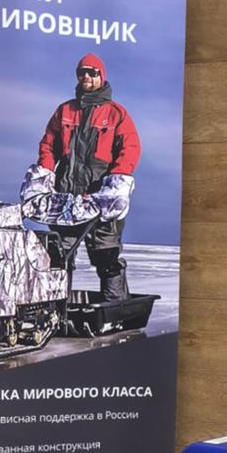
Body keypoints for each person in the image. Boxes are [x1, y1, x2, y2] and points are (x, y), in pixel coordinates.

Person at [20, 52, 140, 302]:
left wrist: (117, 182)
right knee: (60, 255)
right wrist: (44, 174)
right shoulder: (65, 110)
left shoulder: (116, 114)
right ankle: (56, 307)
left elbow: (130, 149)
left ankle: (115, 306)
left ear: (101, 76)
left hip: (101, 198)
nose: (86, 76)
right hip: (67, 198)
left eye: (91, 72)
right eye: (81, 72)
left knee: (106, 254)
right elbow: (48, 145)